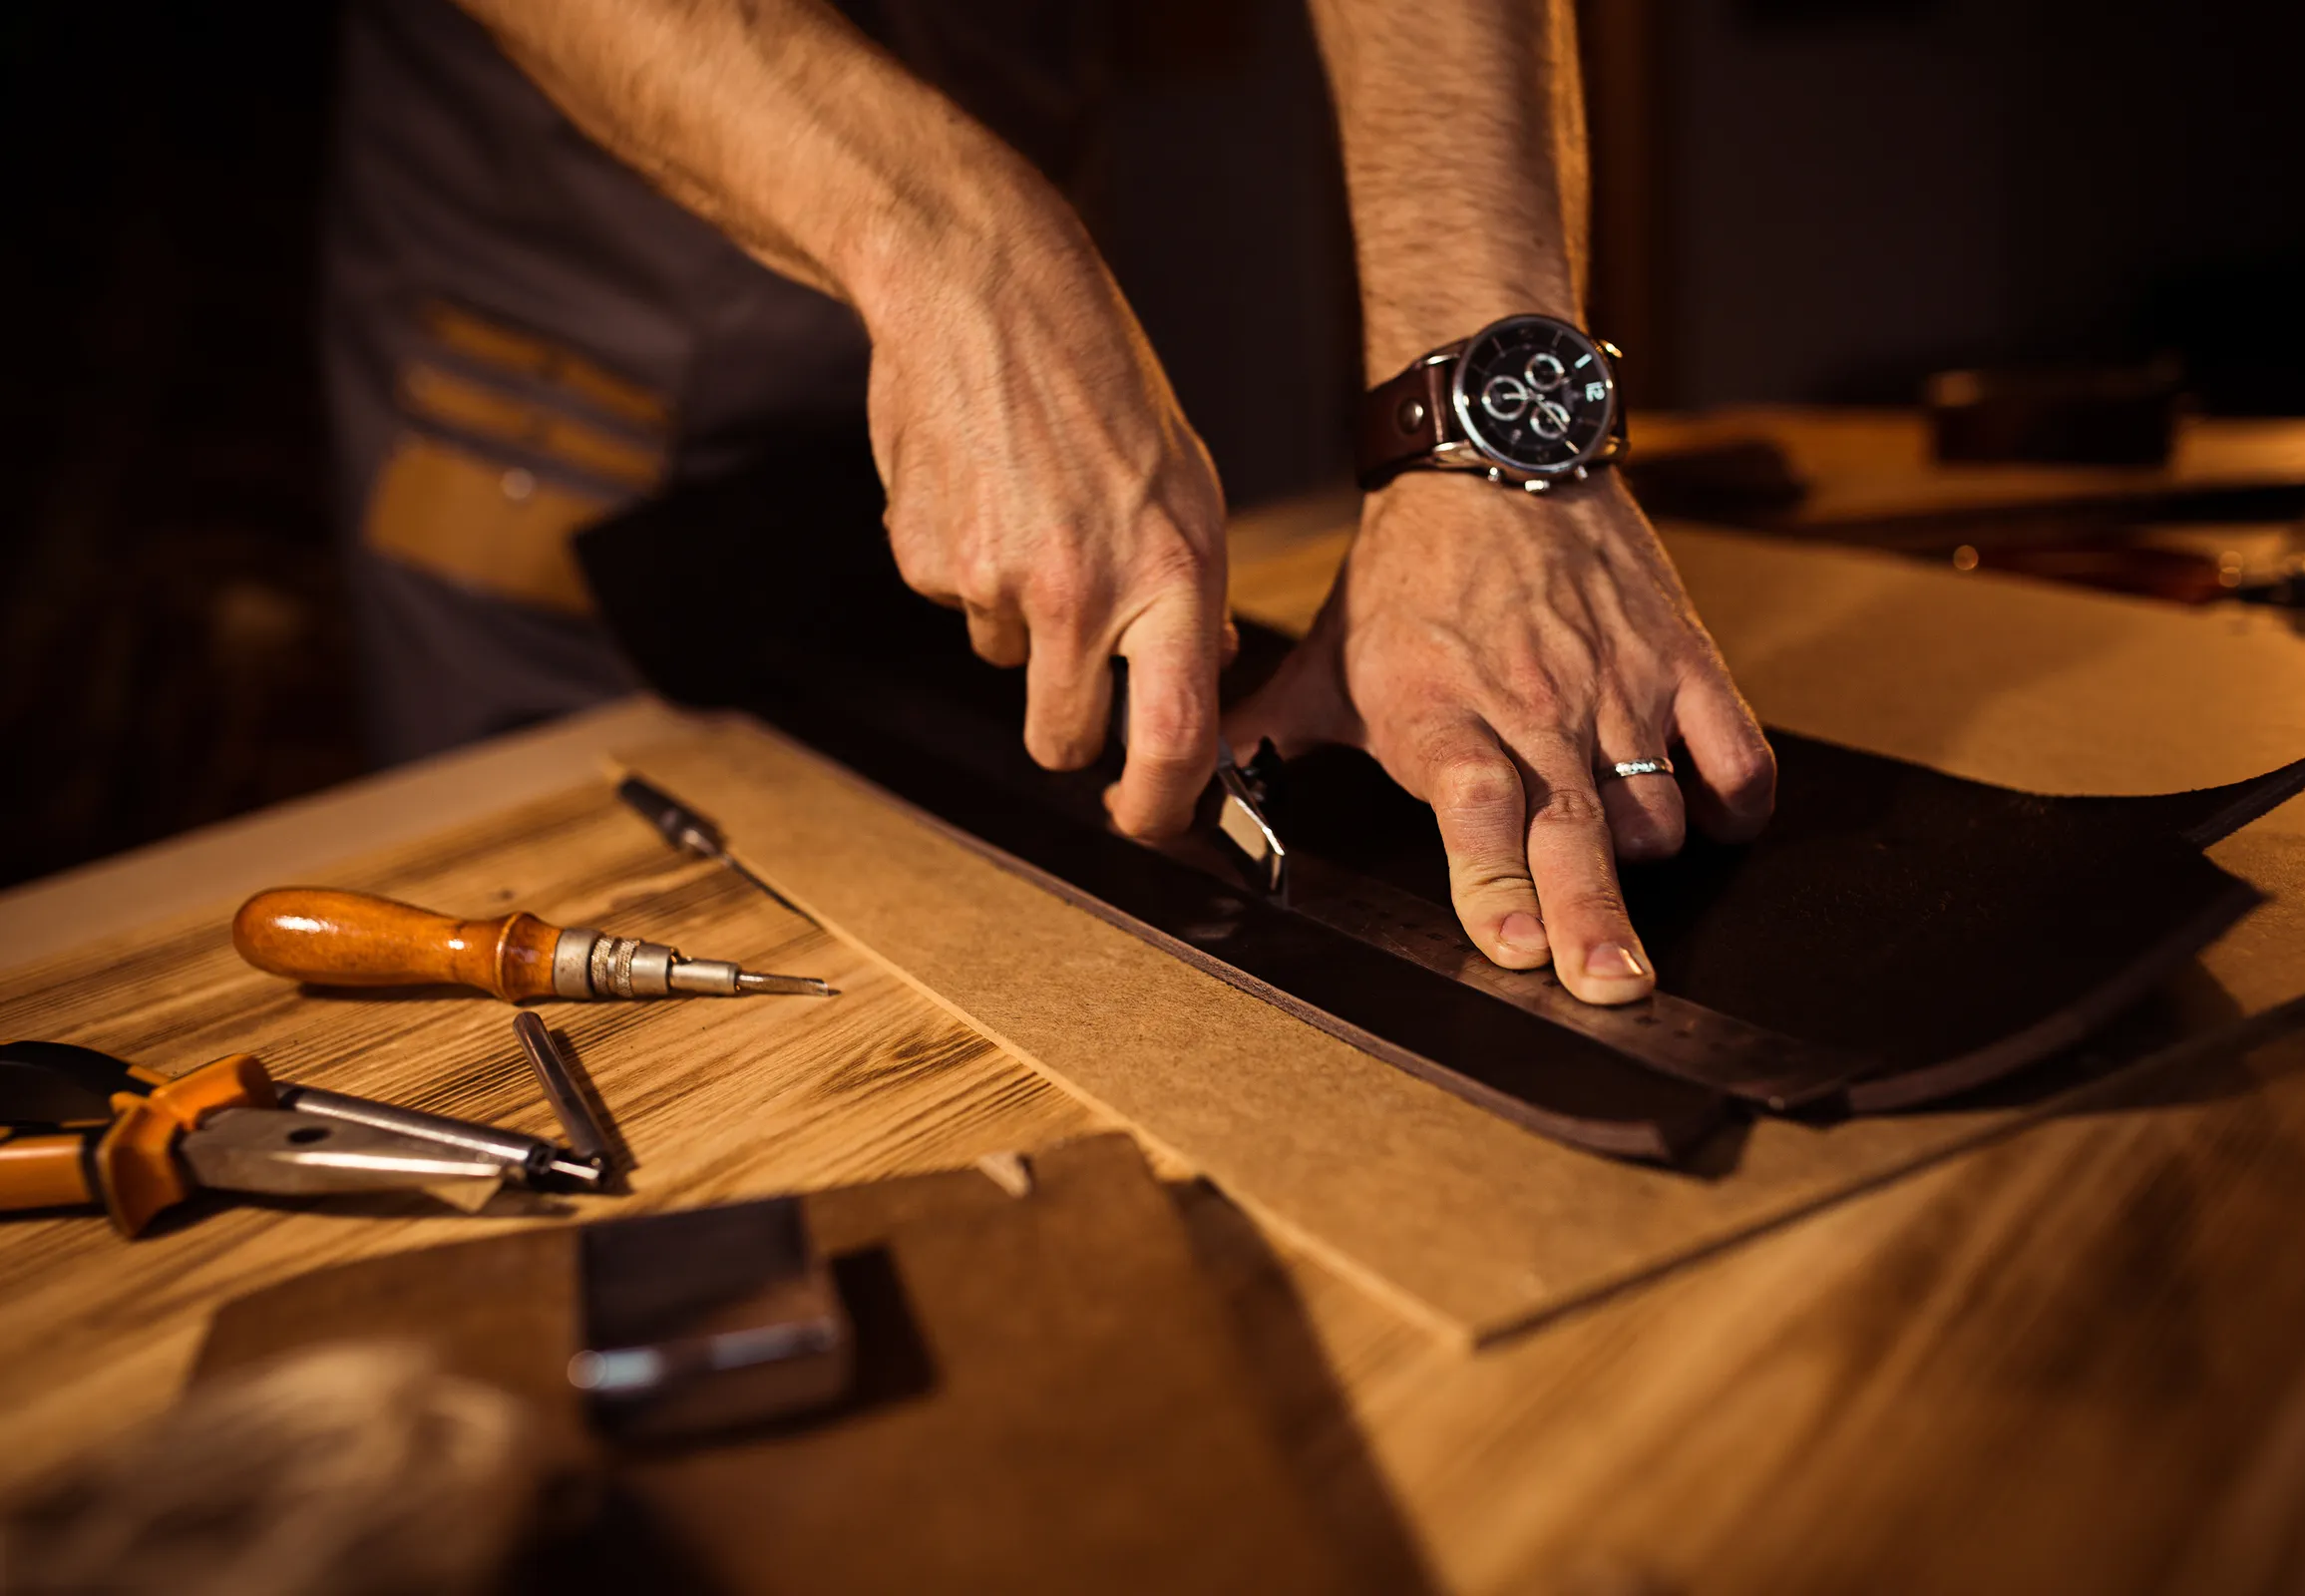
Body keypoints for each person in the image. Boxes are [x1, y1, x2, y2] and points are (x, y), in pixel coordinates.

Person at [321, 0, 1775, 1007]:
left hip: (1006, 137)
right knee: (576, 896)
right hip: (564, 336)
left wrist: (1476, 425)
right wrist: (957, 252)